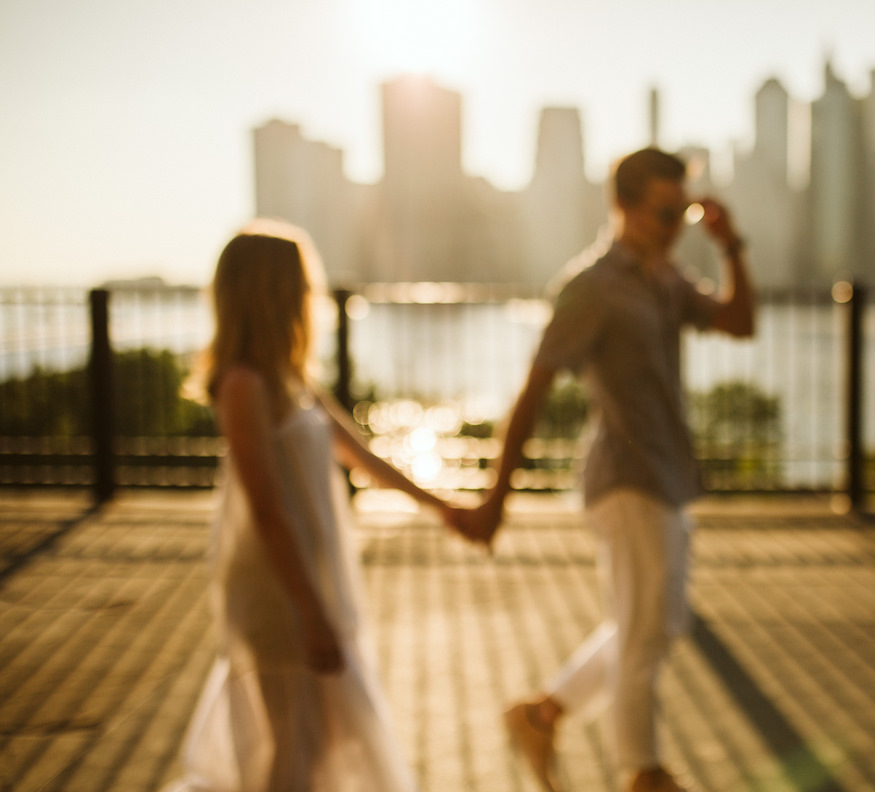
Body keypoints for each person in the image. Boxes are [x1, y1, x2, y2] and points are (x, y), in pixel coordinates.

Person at [459, 147, 756, 792]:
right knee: (647, 635)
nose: (675, 223)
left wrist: (732, 247)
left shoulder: (666, 279)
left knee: (652, 625)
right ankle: (642, 772)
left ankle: (542, 714)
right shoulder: (590, 288)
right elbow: (533, 391)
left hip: (666, 473)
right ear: (621, 206)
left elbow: (740, 323)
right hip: (625, 479)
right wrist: (495, 499)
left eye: (684, 210)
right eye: (663, 211)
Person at [164, 221, 457, 792]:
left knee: (317, 744)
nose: (310, 298)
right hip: (278, 590)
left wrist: (445, 508)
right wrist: (310, 613)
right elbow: (267, 511)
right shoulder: (243, 385)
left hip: (313, 580)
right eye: (300, 285)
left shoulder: (289, 376)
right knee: (292, 748)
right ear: (271, 293)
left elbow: (363, 456)